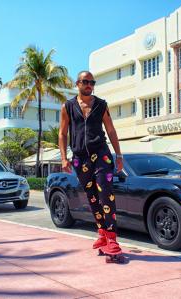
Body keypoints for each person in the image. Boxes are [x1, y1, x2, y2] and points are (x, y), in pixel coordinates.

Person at [59, 70, 125, 262]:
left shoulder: (101, 105)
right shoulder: (68, 107)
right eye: (85, 82)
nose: (89, 85)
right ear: (77, 84)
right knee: (92, 197)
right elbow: (63, 134)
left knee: (106, 193)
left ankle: (112, 239)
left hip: (101, 154)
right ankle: (102, 233)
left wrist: (118, 155)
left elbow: (111, 130)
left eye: (92, 82)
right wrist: (64, 158)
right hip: (80, 158)